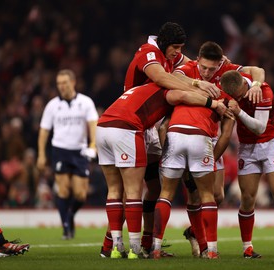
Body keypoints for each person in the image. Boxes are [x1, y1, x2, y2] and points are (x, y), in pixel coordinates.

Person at [99, 22, 221, 258]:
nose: (178, 52)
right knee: (128, 191)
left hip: (146, 125)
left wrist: (221, 63)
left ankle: (146, 244)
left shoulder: (171, 56)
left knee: (154, 186)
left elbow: (192, 63)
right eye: (175, 47)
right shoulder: (149, 51)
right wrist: (199, 85)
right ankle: (111, 246)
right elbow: (163, 79)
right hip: (132, 122)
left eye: (180, 48)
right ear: (165, 43)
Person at [172, 41, 265, 257]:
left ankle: (194, 232)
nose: (206, 72)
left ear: (220, 63)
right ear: (197, 60)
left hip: (212, 137)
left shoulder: (227, 69)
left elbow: (258, 71)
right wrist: (197, 83)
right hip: (189, 133)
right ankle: (205, 244)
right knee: (197, 195)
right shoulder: (190, 69)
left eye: (211, 69)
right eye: (203, 67)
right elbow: (173, 77)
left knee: (217, 195)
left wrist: (257, 85)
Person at [220, 70, 274, 260]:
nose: (237, 98)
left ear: (243, 84)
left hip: (270, 144)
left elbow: (260, 128)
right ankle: (247, 248)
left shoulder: (263, 91)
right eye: (234, 97)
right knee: (247, 198)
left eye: (239, 94)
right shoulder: (233, 88)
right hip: (247, 148)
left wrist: (238, 111)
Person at [150, 84, 234, 259]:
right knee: (207, 195)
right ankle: (210, 250)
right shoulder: (224, 99)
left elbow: (163, 128)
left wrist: (167, 157)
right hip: (200, 137)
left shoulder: (183, 94)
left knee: (166, 194)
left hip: (174, 136)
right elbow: (226, 135)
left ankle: (155, 247)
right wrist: (208, 163)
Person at [37, 69, 98, 240]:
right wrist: (41, 154)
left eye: (64, 83)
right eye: (59, 84)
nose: (61, 87)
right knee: (63, 191)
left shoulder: (86, 102)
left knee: (80, 194)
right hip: (60, 150)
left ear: (73, 82)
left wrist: (93, 145)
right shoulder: (52, 105)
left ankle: (70, 214)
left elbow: (93, 124)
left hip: (80, 151)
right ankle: (66, 227)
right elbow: (44, 131)